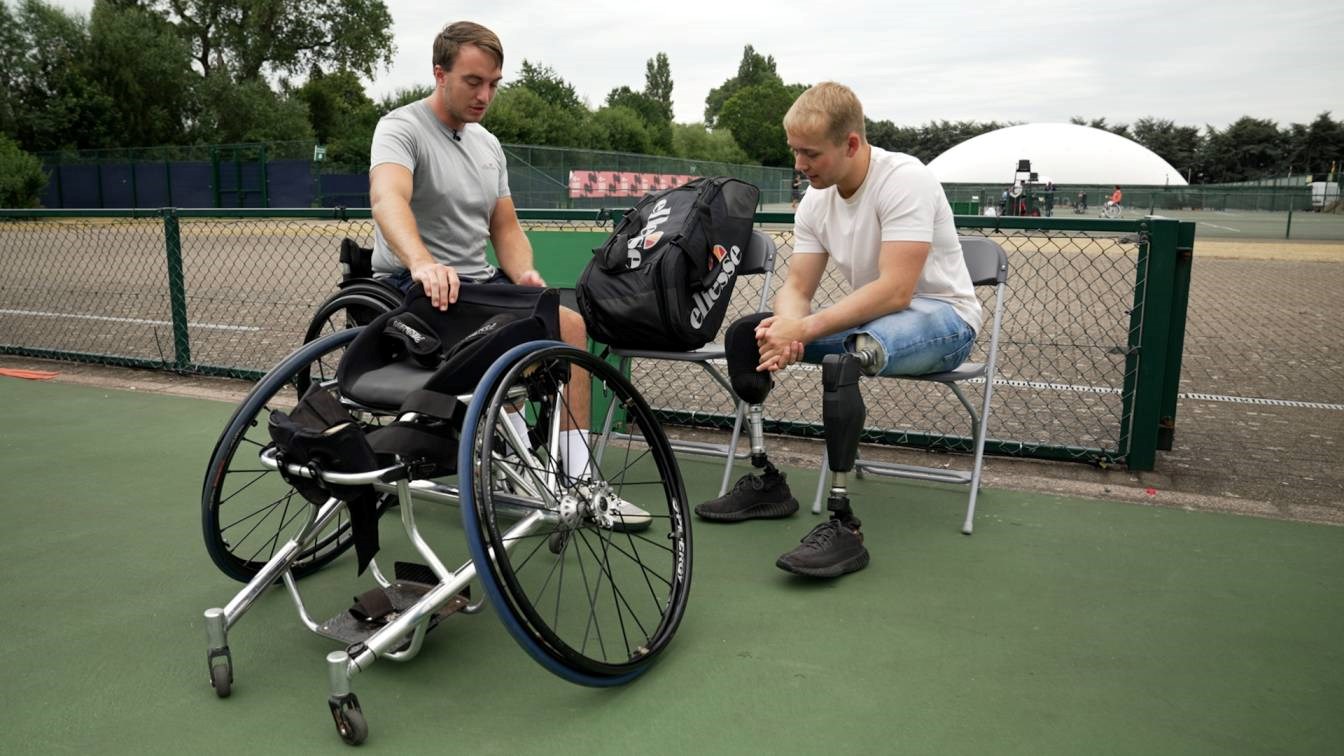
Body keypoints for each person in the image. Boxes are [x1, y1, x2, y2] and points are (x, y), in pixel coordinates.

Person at [694, 82, 982, 578]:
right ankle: (767, 480)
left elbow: (896, 290)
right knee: (749, 333)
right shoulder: (816, 200)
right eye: (795, 152)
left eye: (811, 153)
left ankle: (844, 523)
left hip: (943, 319)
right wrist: (784, 326)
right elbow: (797, 286)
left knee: (851, 352)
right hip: (870, 320)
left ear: (851, 144)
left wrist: (803, 327)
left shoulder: (904, 180)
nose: (800, 166)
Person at [367, 20, 649, 527]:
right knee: (508, 340)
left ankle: (579, 479)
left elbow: (506, 226)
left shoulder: (487, 144)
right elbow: (389, 199)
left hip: (476, 287)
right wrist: (423, 261)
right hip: (417, 290)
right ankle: (519, 465)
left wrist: (524, 274)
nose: (485, 95)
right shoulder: (400, 128)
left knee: (568, 326)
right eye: (473, 81)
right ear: (440, 73)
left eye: (493, 84)